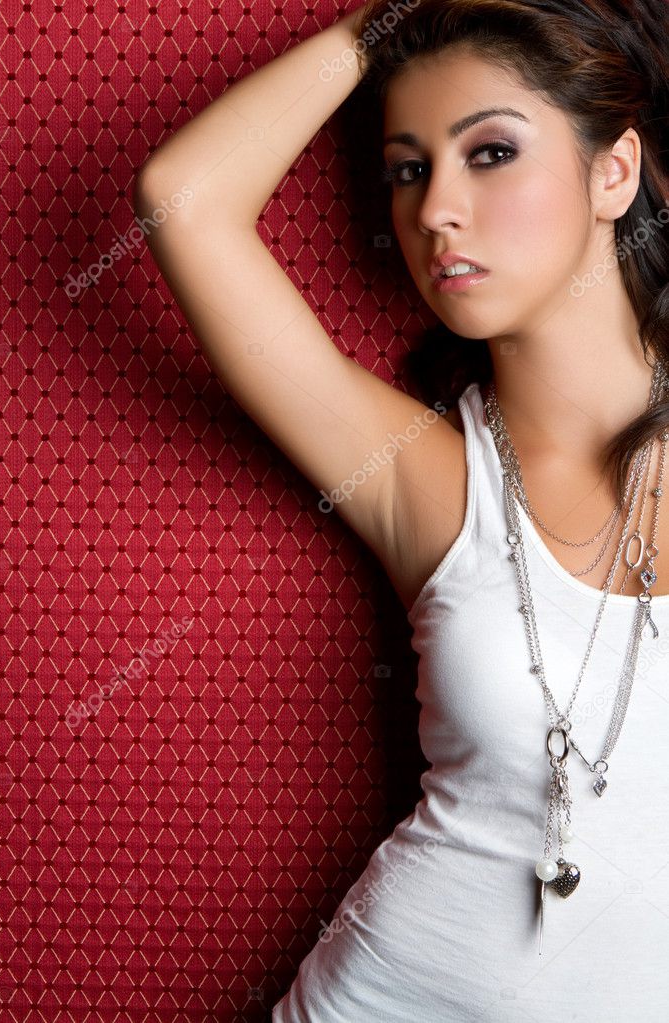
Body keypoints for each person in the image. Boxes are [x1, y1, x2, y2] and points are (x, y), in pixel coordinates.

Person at [133, 0, 669, 1018]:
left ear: (614, 172)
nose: (434, 212)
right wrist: (389, 19)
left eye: (491, 152)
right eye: (408, 169)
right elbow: (182, 198)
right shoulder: (419, 473)